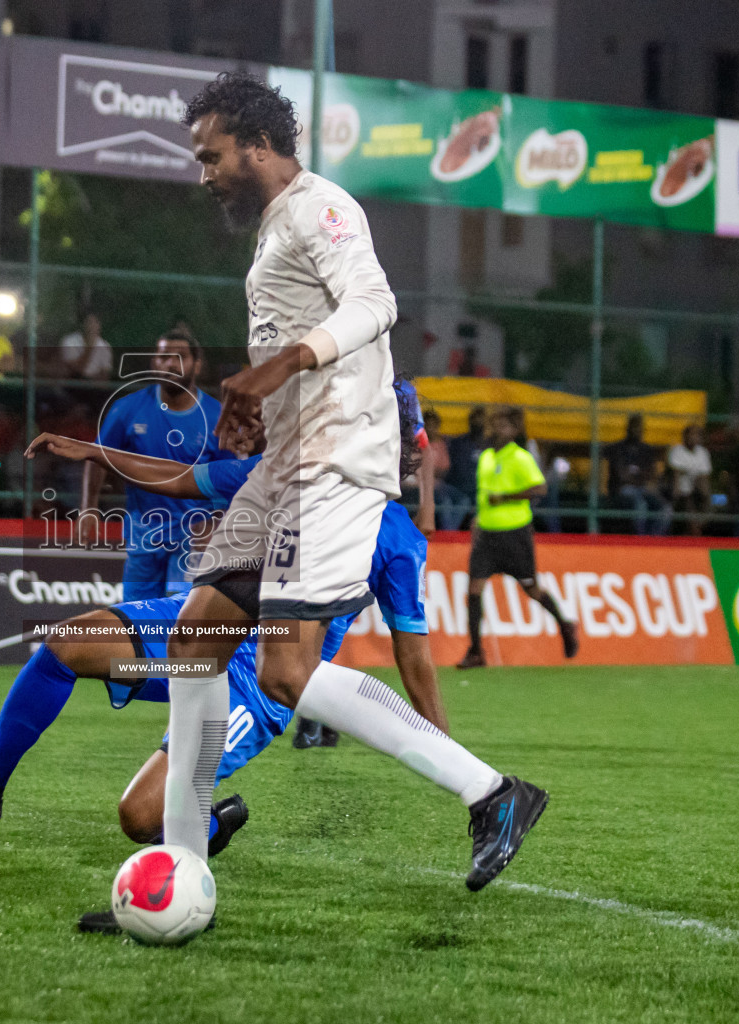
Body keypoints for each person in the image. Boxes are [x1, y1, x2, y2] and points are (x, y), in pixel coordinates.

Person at [157, 72, 543, 891]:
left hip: (336, 466)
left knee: (285, 674)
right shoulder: (271, 229)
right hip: (285, 463)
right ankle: (179, 870)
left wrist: (284, 365)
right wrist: (262, 402)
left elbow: (375, 300)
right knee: (195, 638)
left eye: (212, 155)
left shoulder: (323, 206)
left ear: (257, 143)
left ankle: (493, 792)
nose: (203, 174)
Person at [0, 382, 462, 928]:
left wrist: (452, 762)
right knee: (65, 644)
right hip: (190, 633)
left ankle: (199, 851)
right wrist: (95, 450)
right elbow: (179, 477)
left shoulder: (392, 537)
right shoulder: (282, 477)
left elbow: (412, 650)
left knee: (137, 817)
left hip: (253, 680)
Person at [82, 328, 221, 600]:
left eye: (179, 357)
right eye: (163, 356)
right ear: (153, 362)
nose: (170, 363)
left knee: (180, 619)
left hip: (192, 539)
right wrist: (89, 508)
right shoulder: (127, 408)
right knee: (137, 620)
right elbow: (97, 456)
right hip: (142, 537)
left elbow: (231, 480)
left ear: (197, 364)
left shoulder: (216, 416)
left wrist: (215, 525)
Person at [458, 406, 579, 669]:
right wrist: (478, 518)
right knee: (474, 589)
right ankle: (476, 651)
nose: (499, 429)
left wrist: (505, 498)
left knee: (531, 589)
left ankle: (565, 625)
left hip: (515, 534)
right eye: (496, 424)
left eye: (505, 425)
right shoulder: (487, 457)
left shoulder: (520, 457)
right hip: (487, 535)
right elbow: (483, 493)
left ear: (515, 430)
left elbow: (540, 487)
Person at [604, 412, 671, 535]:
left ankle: (654, 540)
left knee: (665, 509)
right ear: (628, 428)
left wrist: (637, 478)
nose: (637, 430)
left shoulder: (647, 450)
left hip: (643, 489)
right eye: (634, 427)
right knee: (641, 506)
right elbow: (621, 476)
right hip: (622, 490)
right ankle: (641, 540)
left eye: (640, 427)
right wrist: (640, 477)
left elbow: (652, 474)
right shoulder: (618, 448)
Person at [443, 406, 487, 526]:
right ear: (469, 421)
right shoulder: (459, 443)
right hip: (460, 487)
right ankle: (450, 533)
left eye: (481, 419)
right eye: (475, 419)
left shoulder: (490, 445)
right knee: (460, 500)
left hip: (482, 489)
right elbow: (455, 469)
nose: (478, 422)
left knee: (486, 500)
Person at [667, 423, 713, 535]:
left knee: (705, 492)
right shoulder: (677, 451)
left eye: (696, 435)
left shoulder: (703, 452)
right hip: (683, 493)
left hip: (698, 491)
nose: (693, 437)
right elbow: (676, 474)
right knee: (688, 501)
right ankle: (695, 532)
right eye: (691, 434)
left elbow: (704, 475)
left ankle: (701, 525)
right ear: (685, 436)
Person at [59, 310, 113, 381]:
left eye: (95, 323)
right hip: (72, 385)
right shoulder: (69, 341)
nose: (92, 326)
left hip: (94, 387)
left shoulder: (105, 345)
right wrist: (90, 348)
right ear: (83, 324)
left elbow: (105, 375)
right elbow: (74, 371)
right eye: (89, 322)